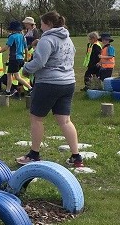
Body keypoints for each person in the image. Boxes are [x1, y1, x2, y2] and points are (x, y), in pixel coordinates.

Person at [15, 11, 84, 168]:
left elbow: (39, 62)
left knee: (36, 118)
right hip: (68, 83)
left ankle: (34, 154)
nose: (40, 26)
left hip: (48, 83)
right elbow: (71, 54)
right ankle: (76, 156)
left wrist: (26, 69)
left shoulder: (47, 39)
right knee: (65, 120)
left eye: (42, 23)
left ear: (49, 24)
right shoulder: (67, 38)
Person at [0, 20, 26, 96]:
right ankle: (8, 91)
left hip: (14, 58)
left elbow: (6, 47)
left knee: (17, 77)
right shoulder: (22, 37)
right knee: (9, 74)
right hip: (20, 58)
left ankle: (30, 88)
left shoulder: (12, 37)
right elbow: (26, 48)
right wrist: (25, 58)